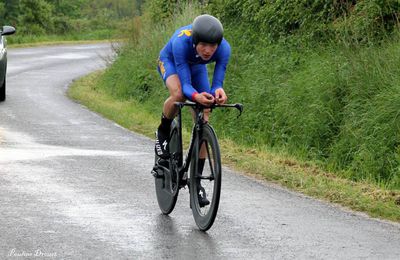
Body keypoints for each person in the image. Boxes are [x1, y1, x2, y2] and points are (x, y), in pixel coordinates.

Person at [155, 14, 231, 206]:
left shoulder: (224, 49)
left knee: (204, 115)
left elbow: (217, 84)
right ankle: (163, 130)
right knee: (180, 94)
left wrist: (218, 92)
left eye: (212, 46)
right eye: (204, 45)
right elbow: (187, 86)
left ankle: (196, 183)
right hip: (171, 61)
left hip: (196, 68)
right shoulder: (181, 42)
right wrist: (196, 96)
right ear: (195, 41)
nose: (208, 51)